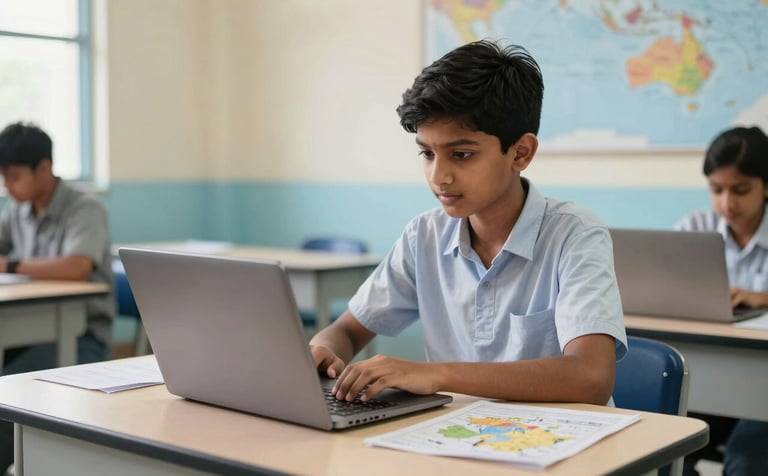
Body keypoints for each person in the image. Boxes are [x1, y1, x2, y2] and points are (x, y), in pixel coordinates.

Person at [309, 40, 627, 406]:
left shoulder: (574, 234)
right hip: (457, 439)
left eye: (461, 155)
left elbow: (590, 377)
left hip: (562, 448)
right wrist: (322, 350)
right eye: (427, 153)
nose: (438, 176)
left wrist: (437, 374)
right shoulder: (423, 236)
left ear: (520, 152)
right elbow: (348, 331)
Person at [0, 122, 115, 474]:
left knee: (8, 393)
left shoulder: (84, 208)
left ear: (45, 168)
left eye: (14, 176)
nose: (7, 185)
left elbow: (77, 266)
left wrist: (13, 263)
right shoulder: (18, 211)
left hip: (81, 337)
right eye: (3, 177)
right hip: (30, 330)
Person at [676, 126, 768, 476]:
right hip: (706, 385)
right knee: (664, 449)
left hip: (762, 394)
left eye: (741, 190)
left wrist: (761, 298)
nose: (727, 203)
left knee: (747, 461)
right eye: (717, 190)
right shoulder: (694, 228)